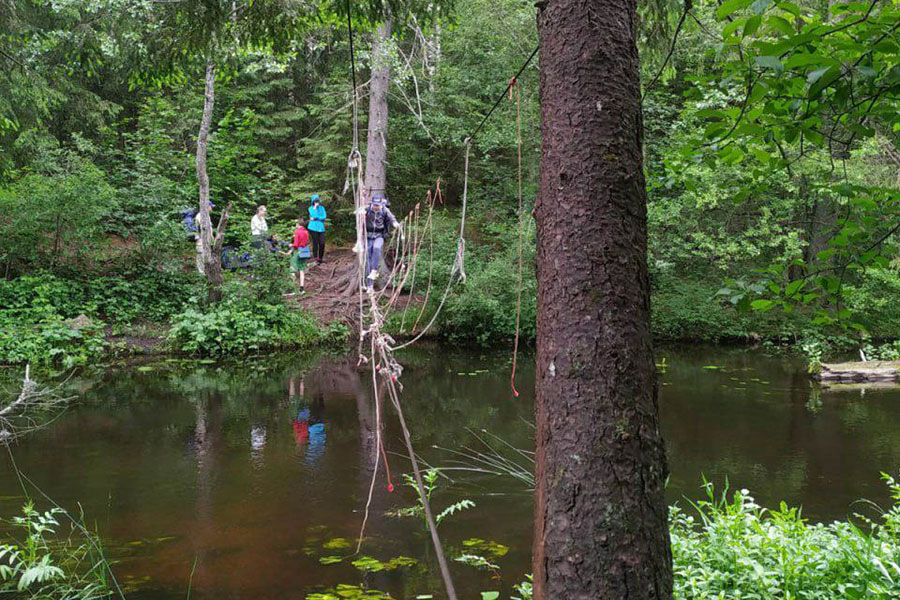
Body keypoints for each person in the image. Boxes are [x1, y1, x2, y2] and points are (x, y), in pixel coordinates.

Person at [364, 194, 402, 291]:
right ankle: (369, 285)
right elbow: (359, 212)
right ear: (372, 204)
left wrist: (395, 223)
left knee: (377, 248)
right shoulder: (367, 209)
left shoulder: (384, 210)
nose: (376, 207)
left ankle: (374, 271)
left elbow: (391, 217)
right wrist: (359, 212)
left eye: (378, 205)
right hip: (367, 236)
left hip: (379, 235)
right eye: (375, 205)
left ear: (381, 204)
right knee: (368, 260)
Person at [289, 217, 311, 294]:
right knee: (302, 270)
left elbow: (295, 244)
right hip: (304, 252)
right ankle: (302, 288)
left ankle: (293, 288)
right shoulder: (306, 232)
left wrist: (291, 245)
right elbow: (307, 242)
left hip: (297, 252)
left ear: (298, 224)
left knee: (293, 269)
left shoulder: (297, 232)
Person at [307, 194, 327, 265]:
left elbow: (324, 217)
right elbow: (313, 215)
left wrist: (316, 218)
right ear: (313, 202)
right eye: (315, 201)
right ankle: (316, 258)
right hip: (313, 228)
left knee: (322, 243)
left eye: (317, 201)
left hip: (321, 228)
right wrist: (315, 209)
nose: (317, 202)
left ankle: (320, 258)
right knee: (315, 243)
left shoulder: (322, 208)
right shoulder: (310, 208)